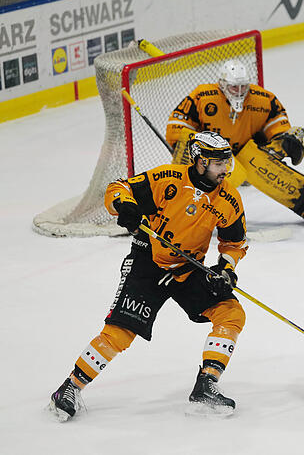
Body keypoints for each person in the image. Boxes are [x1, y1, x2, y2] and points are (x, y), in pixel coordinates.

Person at [48, 132, 249, 421]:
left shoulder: (229, 196)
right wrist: (124, 206)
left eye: (227, 162)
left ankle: (206, 384)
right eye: (219, 164)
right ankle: (69, 387)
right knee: (121, 331)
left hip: (188, 268)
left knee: (231, 313)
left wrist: (226, 269)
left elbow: (234, 242)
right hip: (147, 263)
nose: (225, 170)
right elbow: (118, 188)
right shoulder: (168, 178)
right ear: (201, 161)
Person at [166, 59, 304, 222]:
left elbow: (276, 119)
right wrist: (187, 147)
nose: (239, 92)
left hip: (245, 155)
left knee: (261, 166)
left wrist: (283, 140)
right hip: (210, 155)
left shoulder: (262, 99)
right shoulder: (203, 96)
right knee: (224, 173)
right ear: (222, 84)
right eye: (234, 87)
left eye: (243, 86)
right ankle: (185, 208)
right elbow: (178, 123)